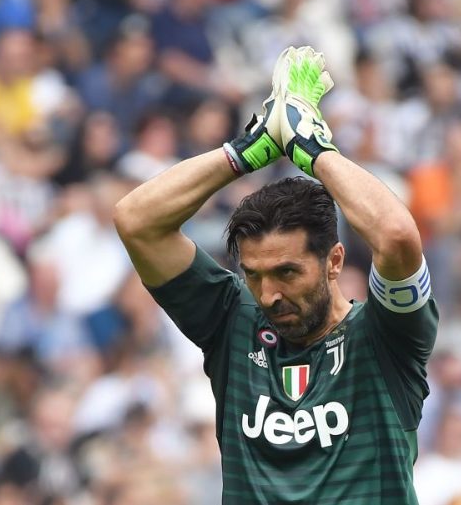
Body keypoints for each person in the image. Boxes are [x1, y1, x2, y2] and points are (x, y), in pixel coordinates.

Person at [114, 46, 440, 503]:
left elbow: (397, 235)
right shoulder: (232, 321)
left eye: (287, 272)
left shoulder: (387, 336)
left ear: (334, 261)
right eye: (254, 274)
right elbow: (136, 221)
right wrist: (250, 150)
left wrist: (314, 149)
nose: (268, 294)